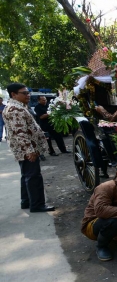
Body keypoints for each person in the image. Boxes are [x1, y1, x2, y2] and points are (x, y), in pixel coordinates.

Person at [2, 83, 55, 212]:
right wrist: (29, 150)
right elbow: (20, 132)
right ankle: (37, 204)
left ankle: (26, 201)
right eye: (24, 93)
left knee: (26, 175)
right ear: (13, 94)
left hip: (24, 148)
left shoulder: (17, 106)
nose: (28, 95)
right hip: (26, 149)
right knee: (33, 176)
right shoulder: (15, 109)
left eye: (27, 92)